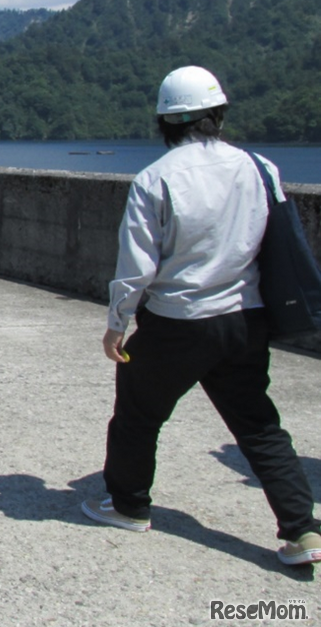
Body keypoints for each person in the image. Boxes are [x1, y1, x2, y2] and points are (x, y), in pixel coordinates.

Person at [82, 66, 321, 566]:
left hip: (178, 320)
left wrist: (117, 323)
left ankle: (128, 505)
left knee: (138, 415)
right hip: (245, 318)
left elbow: (136, 266)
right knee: (259, 425)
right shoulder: (260, 168)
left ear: (164, 122)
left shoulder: (155, 178)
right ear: (218, 114)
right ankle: (302, 530)